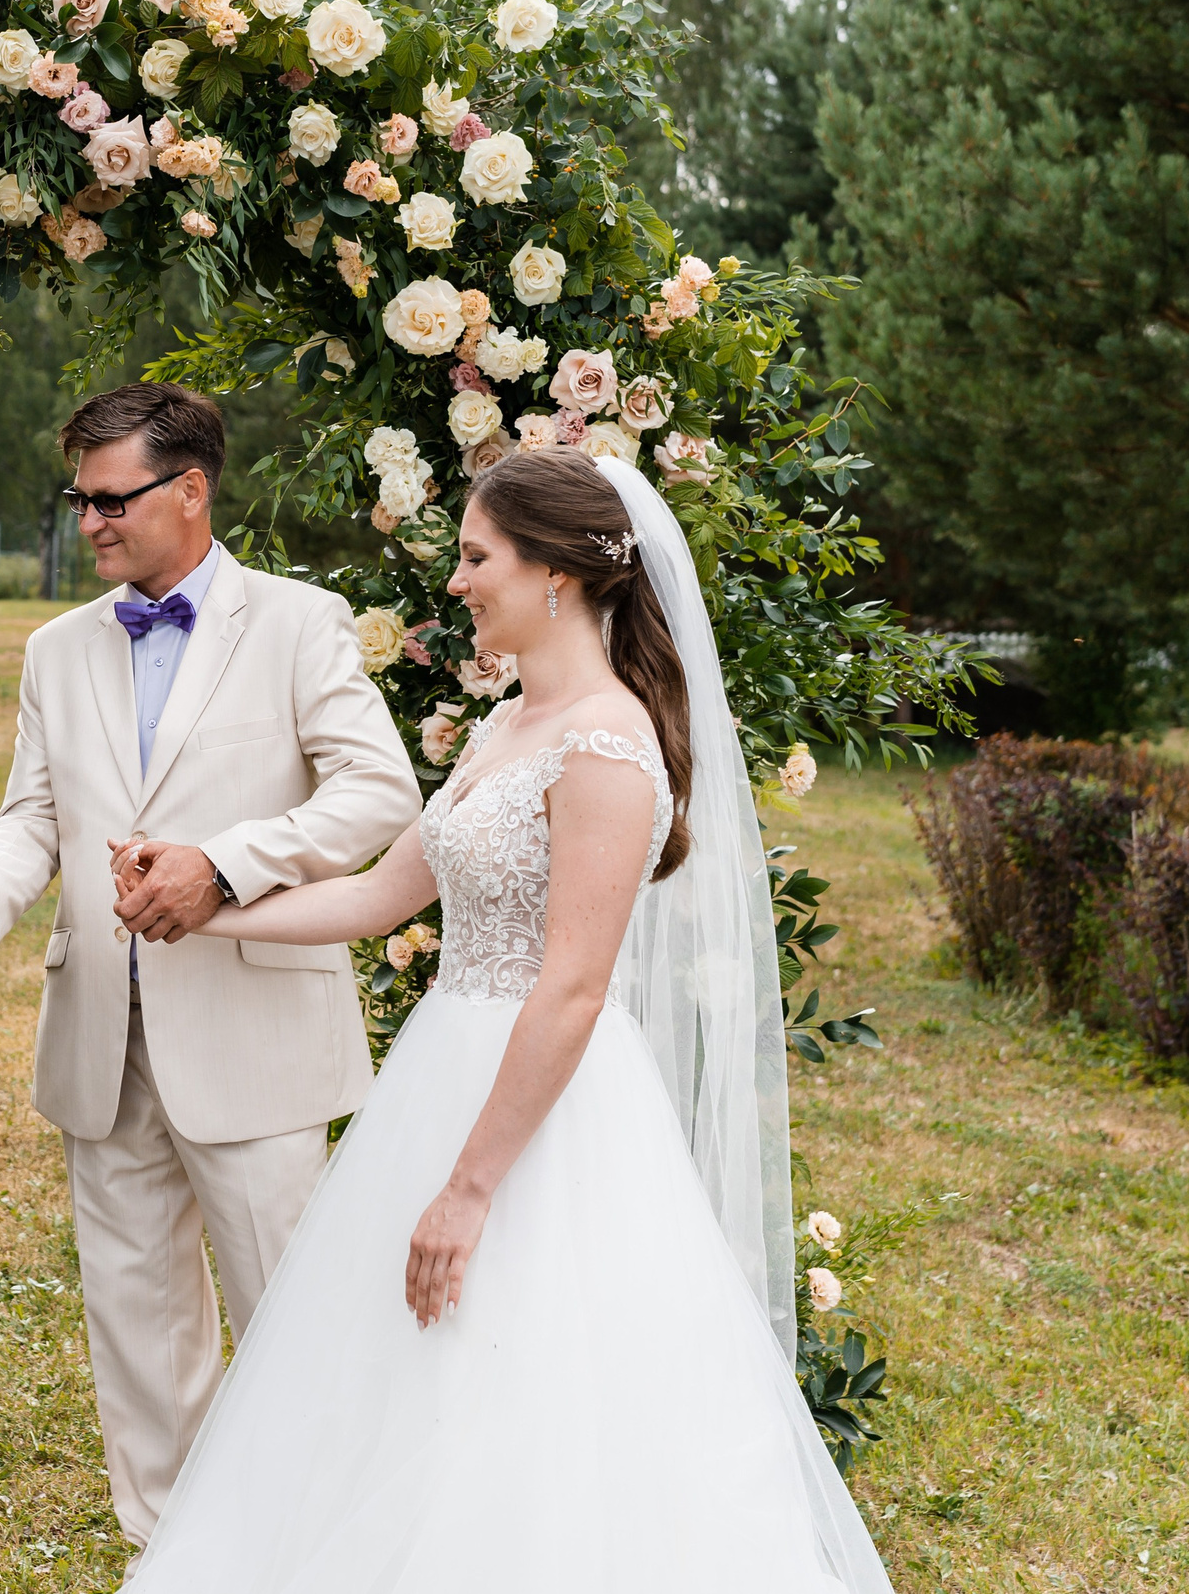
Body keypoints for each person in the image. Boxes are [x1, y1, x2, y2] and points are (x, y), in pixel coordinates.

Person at [111, 448, 893, 1593]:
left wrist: (469, 1188)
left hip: (544, 1122)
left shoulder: (608, 747)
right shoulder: (508, 727)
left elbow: (571, 988)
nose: (460, 582)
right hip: (443, 1081)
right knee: (399, 1389)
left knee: (533, 1396)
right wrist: (204, 904)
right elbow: (382, 896)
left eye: (478, 558)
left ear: (557, 574)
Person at [0, 381, 423, 1557]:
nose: (87, 521)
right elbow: (34, 813)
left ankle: (320, 1558)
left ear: (189, 490)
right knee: (138, 1333)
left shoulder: (297, 621)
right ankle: (176, 1559)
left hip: (255, 1041)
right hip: (100, 1041)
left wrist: (226, 867)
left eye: (108, 498)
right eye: (77, 499)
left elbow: (377, 791)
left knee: (290, 1316)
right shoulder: (54, 648)